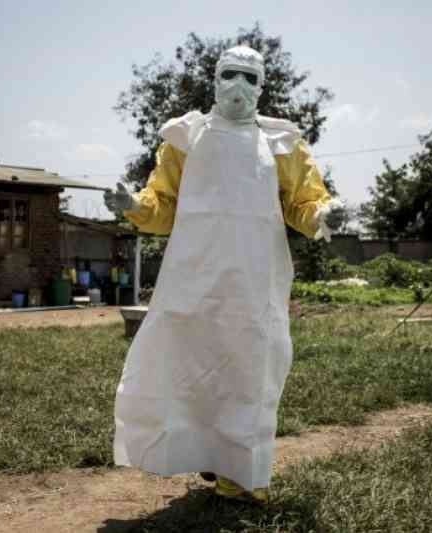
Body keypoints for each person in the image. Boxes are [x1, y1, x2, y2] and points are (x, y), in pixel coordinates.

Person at [106, 45, 343, 503]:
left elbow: (302, 205)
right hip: (192, 277)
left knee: (250, 370)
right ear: (214, 79)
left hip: (254, 279)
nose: (239, 85)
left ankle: (240, 473)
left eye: (250, 78)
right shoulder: (185, 138)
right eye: (230, 74)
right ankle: (198, 452)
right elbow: (163, 206)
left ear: (262, 86)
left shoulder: (283, 143)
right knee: (186, 366)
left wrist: (324, 217)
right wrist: (133, 206)